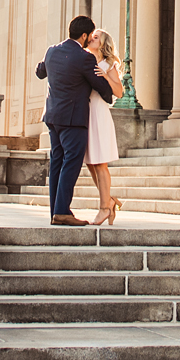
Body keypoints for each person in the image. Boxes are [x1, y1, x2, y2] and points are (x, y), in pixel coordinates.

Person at [34, 15, 111, 225]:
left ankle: (56, 212)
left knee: (57, 163)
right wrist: (108, 90)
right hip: (73, 119)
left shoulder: (52, 51)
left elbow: (40, 72)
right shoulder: (83, 57)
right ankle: (62, 211)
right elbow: (101, 86)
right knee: (71, 162)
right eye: (89, 37)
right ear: (85, 35)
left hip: (52, 117)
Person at [84, 30, 126, 226]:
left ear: (103, 43)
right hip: (86, 114)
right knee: (90, 162)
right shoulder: (84, 59)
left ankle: (104, 208)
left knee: (100, 163)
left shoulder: (108, 64)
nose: (92, 37)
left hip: (99, 114)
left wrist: (106, 77)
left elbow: (119, 91)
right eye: (92, 35)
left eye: (96, 36)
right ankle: (108, 200)